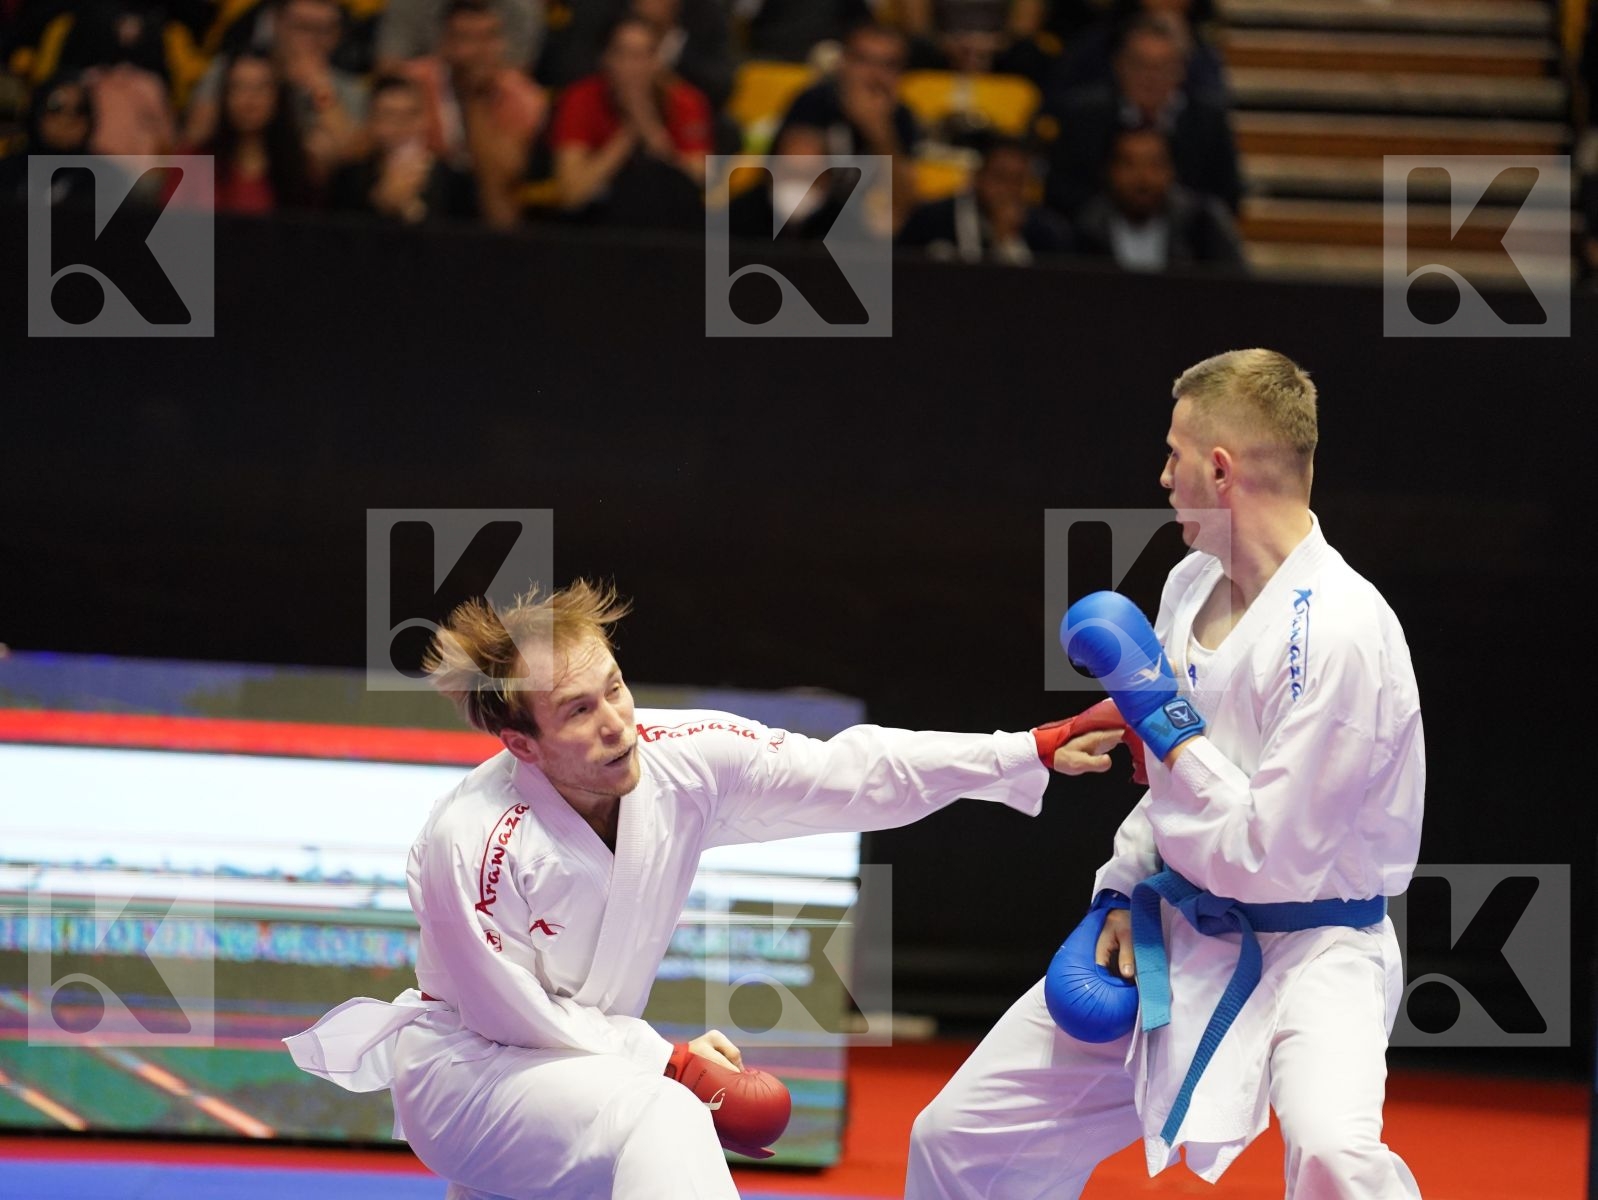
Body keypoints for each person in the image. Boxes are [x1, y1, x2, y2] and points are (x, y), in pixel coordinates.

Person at [286, 579, 1133, 1200]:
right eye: (578, 711)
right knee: (666, 1119)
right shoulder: (469, 842)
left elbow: (850, 771)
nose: (616, 721)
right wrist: (672, 1062)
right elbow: (516, 1020)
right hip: (470, 1077)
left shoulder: (682, 757)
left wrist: (1023, 749)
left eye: (614, 686)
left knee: (641, 1120)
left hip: (581, 1077)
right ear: (522, 743)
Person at [906, 349, 1425, 1199]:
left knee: (1335, 1154)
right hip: (1174, 919)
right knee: (960, 1136)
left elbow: (1272, 857)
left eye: (1174, 454)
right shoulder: (1189, 584)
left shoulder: (1341, 634)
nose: (1162, 476)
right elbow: (1165, 788)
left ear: (1219, 470)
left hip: (1315, 948)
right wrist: (1119, 888)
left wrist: (1170, 726)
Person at [1043, 14, 1239, 219]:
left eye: (1163, 67)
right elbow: (1060, 196)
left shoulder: (1207, 121)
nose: (1150, 77)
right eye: (1140, 64)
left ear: (1182, 70)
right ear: (1119, 65)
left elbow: (1227, 199)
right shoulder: (1082, 117)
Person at [549, 14, 710, 229]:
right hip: (598, 222)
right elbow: (572, 193)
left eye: (642, 56)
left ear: (657, 61)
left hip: (671, 223)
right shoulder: (581, 98)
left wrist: (648, 125)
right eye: (622, 54)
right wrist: (628, 133)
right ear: (606, 59)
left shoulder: (685, 101)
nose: (632, 67)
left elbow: (696, 184)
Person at [774, 22, 921, 230]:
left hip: (867, 233)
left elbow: (905, 204)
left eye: (888, 65)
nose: (874, 75)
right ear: (842, 63)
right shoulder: (814, 102)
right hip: (808, 228)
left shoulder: (901, 116)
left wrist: (879, 133)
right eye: (863, 61)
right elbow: (794, 193)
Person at [1071, 126, 1243, 271]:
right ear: (1110, 172)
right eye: (1129, 164)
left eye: (1154, 164)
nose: (1143, 178)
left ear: (1172, 171)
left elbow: (1238, 290)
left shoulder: (1202, 224)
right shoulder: (1087, 228)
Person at [897, 135, 1073, 264]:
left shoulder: (1045, 231)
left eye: (1017, 181)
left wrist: (1007, 239)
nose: (1007, 189)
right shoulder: (931, 219)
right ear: (978, 177)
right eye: (1000, 177)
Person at [329, 74, 478, 223]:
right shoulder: (348, 179)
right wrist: (381, 204)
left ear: (426, 120)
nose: (402, 125)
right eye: (389, 115)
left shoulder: (455, 181)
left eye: (412, 113)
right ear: (372, 123)